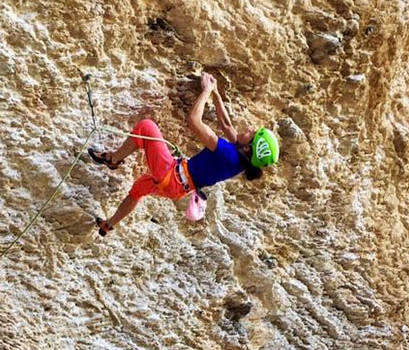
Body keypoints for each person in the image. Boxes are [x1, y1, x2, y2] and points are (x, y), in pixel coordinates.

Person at [87, 72, 279, 236]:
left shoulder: (228, 154)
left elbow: (194, 120)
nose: (250, 129)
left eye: (252, 134)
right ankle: (109, 224)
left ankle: (113, 159)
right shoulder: (240, 160)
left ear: (249, 148)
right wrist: (215, 93)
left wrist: (205, 91)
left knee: (146, 127)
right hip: (177, 188)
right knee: (138, 190)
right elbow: (227, 126)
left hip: (171, 175)